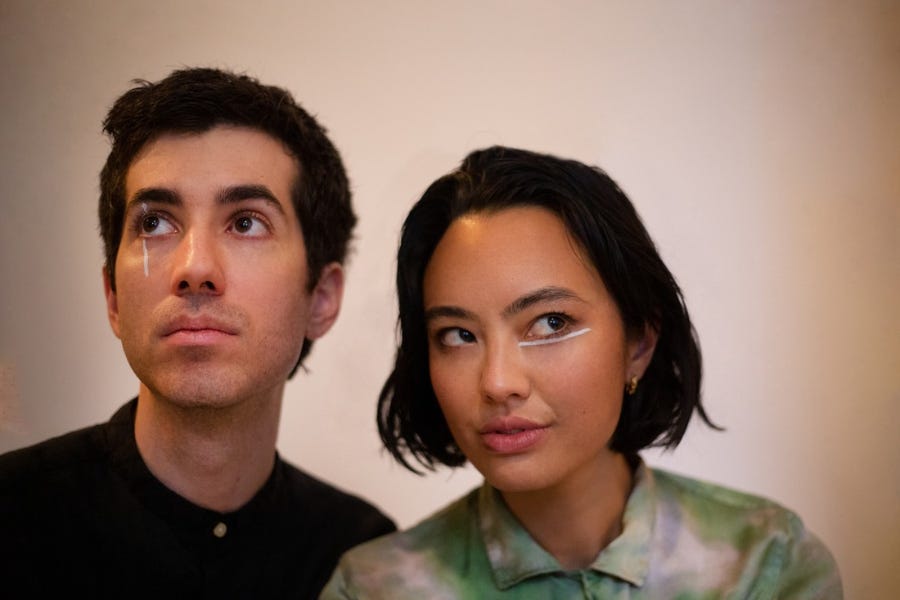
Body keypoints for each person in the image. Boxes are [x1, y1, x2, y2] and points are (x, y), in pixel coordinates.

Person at [321, 146, 842, 598]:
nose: (498, 382)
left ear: (638, 343)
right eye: (458, 335)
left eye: (551, 322)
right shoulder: (374, 588)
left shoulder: (763, 566)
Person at [0, 67, 395, 597]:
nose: (194, 268)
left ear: (320, 299)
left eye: (246, 222)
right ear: (113, 296)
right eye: (155, 223)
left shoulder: (363, 562)